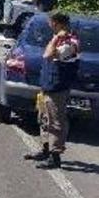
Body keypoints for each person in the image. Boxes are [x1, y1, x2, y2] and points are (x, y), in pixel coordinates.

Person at [24, 12, 80, 169]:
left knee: (56, 121)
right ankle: (45, 149)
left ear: (58, 24)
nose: (50, 26)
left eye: (52, 23)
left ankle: (55, 157)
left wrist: (56, 38)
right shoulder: (61, 39)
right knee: (43, 118)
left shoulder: (70, 43)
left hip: (58, 88)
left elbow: (48, 54)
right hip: (47, 86)